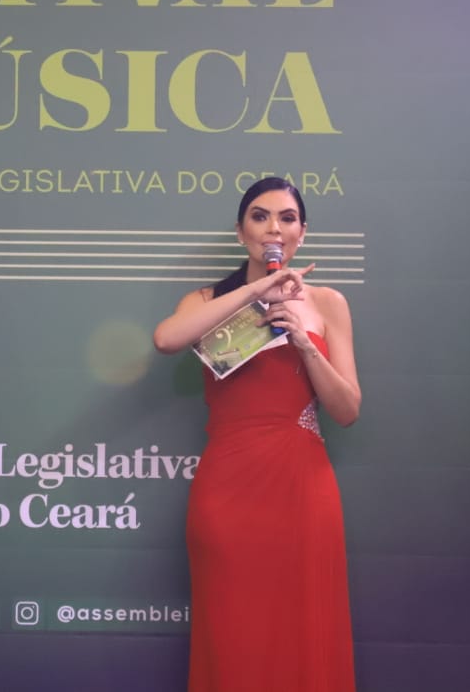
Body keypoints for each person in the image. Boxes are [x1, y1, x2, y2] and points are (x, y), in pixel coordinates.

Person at [152, 177, 361, 692]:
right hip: (228, 490)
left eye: (287, 218)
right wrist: (256, 293)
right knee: (233, 633)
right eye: (260, 216)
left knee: (304, 631)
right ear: (240, 231)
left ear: (302, 233)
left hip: (303, 487)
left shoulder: (328, 303)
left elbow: (348, 409)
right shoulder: (207, 299)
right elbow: (166, 339)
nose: (274, 228)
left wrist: (305, 345)